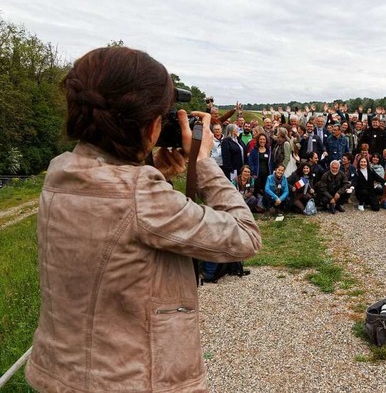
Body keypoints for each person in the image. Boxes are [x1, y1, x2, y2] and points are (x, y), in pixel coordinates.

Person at [25, 47, 261, 393]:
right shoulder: (141, 196)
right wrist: (203, 160)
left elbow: (121, 233)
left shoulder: (61, 173)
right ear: (152, 125)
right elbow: (245, 236)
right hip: (133, 381)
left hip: (62, 374)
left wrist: (154, 175)